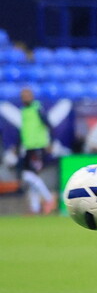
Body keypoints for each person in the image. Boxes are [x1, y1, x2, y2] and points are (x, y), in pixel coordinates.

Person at [16, 87, 57, 215]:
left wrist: (50, 142)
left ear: (32, 96)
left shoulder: (37, 108)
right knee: (32, 177)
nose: (25, 98)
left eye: (27, 95)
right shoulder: (24, 111)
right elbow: (25, 130)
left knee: (27, 175)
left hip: (38, 146)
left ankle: (49, 199)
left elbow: (48, 124)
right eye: (23, 96)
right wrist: (18, 146)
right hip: (27, 147)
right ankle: (35, 208)